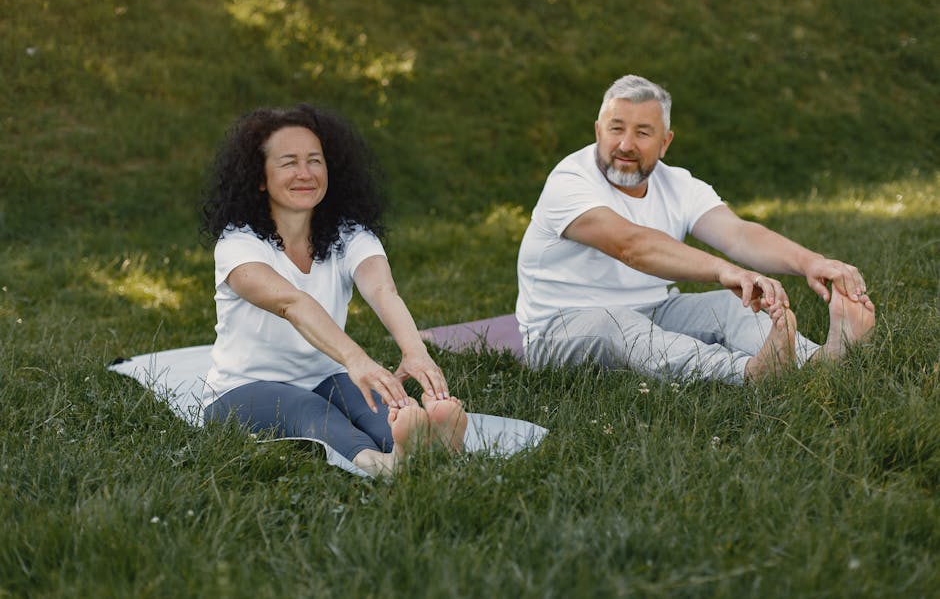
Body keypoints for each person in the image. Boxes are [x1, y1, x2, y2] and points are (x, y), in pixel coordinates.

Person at [515, 75, 876, 384]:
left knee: (729, 305)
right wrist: (723, 269)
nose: (625, 145)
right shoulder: (570, 180)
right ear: (598, 131)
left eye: (643, 133)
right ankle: (750, 373)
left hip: (655, 308)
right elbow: (631, 245)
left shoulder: (678, 185)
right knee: (617, 324)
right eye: (615, 129)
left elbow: (738, 234)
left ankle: (821, 360)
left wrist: (810, 262)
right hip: (557, 332)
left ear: (665, 142)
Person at [201, 103, 466, 476]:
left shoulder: (348, 234)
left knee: (378, 404)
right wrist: (356, 359)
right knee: (308, 410)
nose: (305, 173)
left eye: (315, 160)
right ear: (259, 178)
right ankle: (382, 465)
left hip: (326, 376)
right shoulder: (238, 245)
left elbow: (383, 290)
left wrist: (414, 351)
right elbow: (292, 303)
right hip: (242, 390)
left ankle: (427, 445)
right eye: (289, 162)